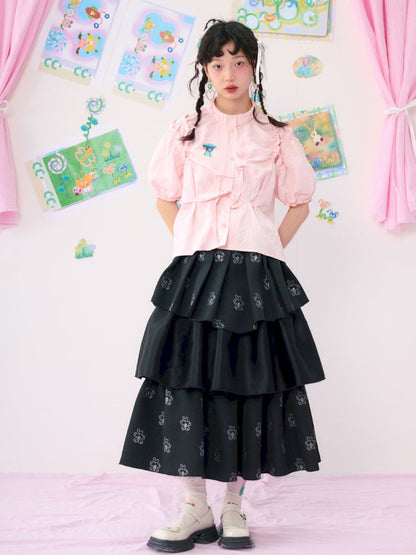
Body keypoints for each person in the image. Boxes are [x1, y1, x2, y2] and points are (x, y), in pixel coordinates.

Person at [120, 18, 326, 552]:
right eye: (218, 63)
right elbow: (164, 195)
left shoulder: (275, 135)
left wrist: (268, 249)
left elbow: (299, 201)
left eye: (238, 61)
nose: (229, 72)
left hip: (256, 277)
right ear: (205, 70)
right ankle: (194, 507)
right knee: (185, 381)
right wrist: (193, 248)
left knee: (245, 384)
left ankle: (233, 505)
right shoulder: (186, 130)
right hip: (196, 275)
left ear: (253, 66)